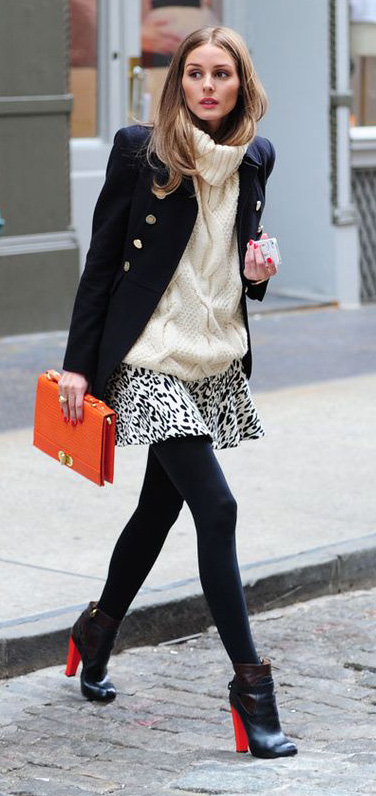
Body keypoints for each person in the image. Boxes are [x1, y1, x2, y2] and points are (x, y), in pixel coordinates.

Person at [61, 26, 297, 760]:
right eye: (193, 72)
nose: (205, 86)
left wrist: (259, 272)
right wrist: (76, 364)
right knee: (217, 506)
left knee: (158, 510)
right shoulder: (140, 150)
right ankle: (251, 687)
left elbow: (233, 260)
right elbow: (102, 262)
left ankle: (96, 631)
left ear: (240, 85)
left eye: (220, 74)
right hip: (149, 355)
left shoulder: (255, 156)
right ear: (178, 83)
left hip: (212, 354)